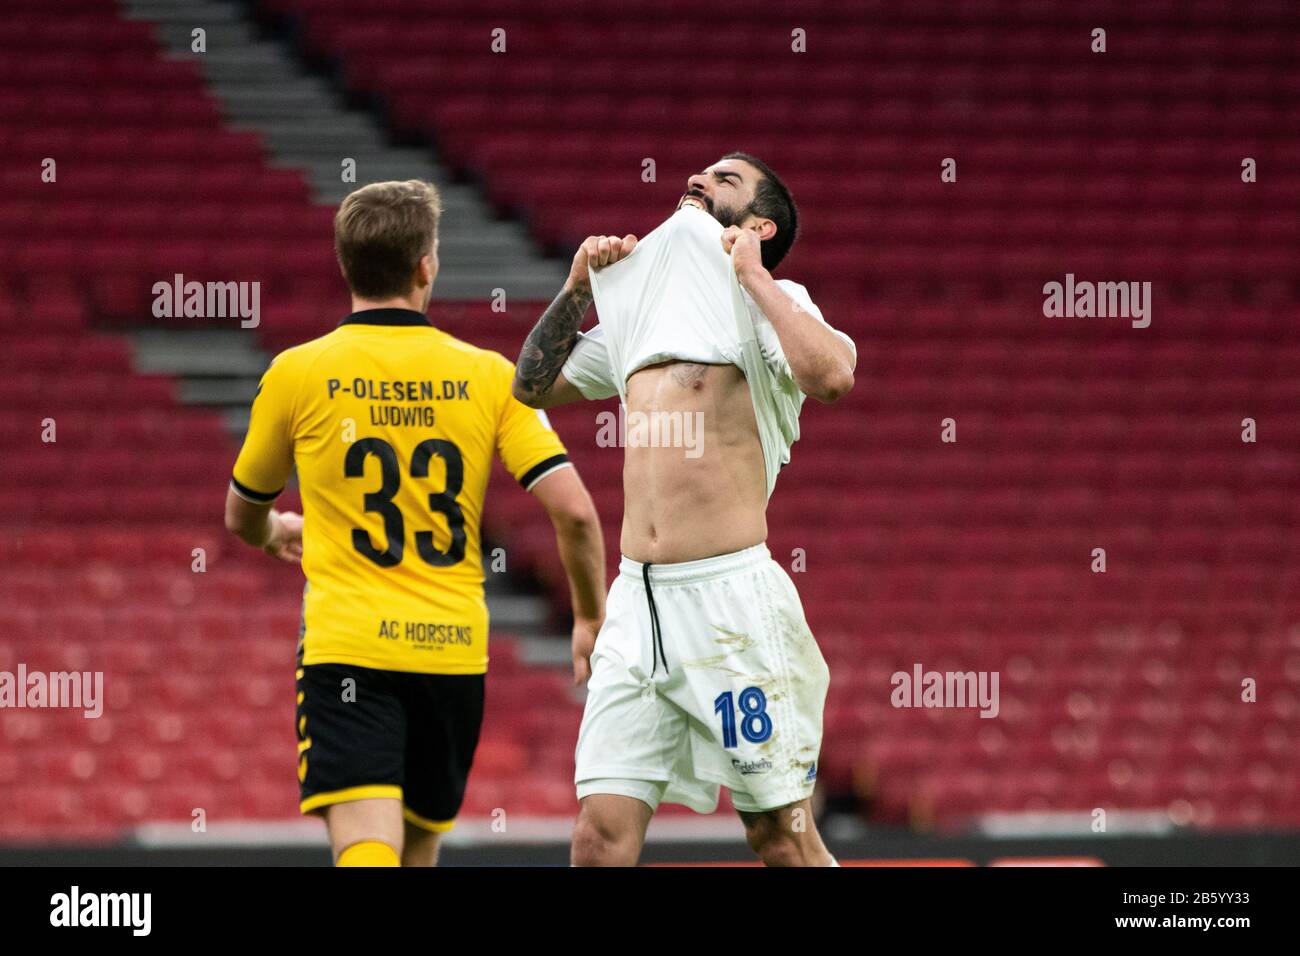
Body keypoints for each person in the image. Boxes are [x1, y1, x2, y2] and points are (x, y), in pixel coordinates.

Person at [224, 180, 605, 866]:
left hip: (351, 651)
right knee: (418, 850)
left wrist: (272, 530)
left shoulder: (297, 372)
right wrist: (589, 617)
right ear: (427, 265)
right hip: (452, 655)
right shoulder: (490, 376)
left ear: (345, 266)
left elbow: (241, 509)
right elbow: (575, 512)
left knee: (367, 847)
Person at [512, 153, 856, 866]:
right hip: (637, 606)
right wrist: (577, 288)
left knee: (781, 839)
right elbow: (532, 386)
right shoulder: (643, 310)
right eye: (699, 175)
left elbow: (832, 377)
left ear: (760, 224)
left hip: (730, 605)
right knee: (598, 836)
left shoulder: (772, 301)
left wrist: (754, 274)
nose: (699, 181)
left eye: (725, 180)